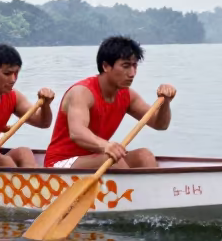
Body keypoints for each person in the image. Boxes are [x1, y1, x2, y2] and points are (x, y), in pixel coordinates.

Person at [43, 36, 176, 169]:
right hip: (60, 164)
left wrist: (165, 103)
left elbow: (160, 124)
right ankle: (132, 188)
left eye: (134, 65)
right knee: (112, 160)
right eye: (126, 66)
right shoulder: (82, 93)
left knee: (144, 156)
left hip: (95, 159)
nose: (132, 73)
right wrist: (106, 145)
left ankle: (145, 189)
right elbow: (77, 133)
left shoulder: (128, 95)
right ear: (106, 66)